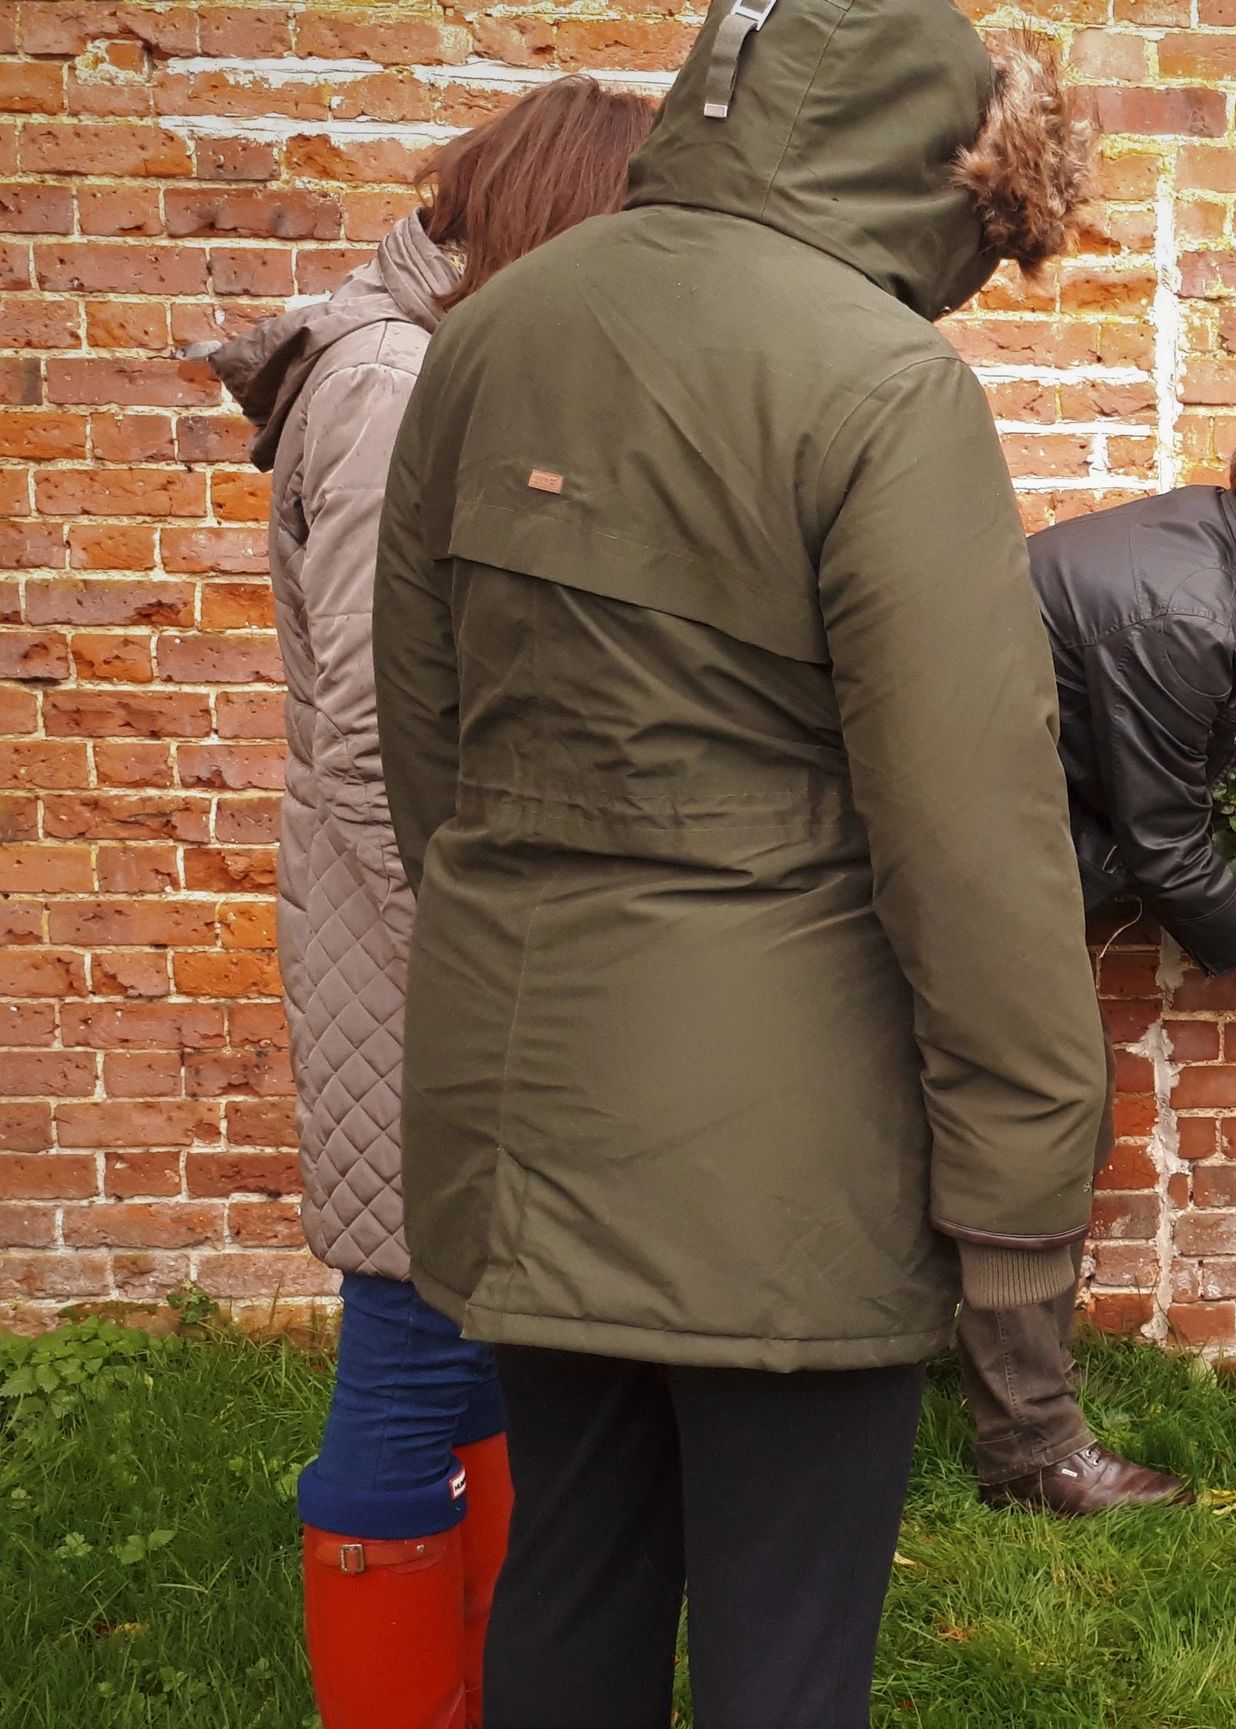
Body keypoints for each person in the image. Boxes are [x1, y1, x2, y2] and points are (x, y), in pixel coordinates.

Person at [370, 9, 1104, 1726]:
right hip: (785, 1144)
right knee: (784, 1641)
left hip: (517, 1086)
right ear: (933, 158)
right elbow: (976, 841)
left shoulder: (500, 322)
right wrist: (1019, 1214)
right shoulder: (878, 376)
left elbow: (426, 738)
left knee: (572, 1570)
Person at [207, 74, 655, 1729]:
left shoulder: (432, 360)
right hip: (419, 959)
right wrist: (495, 985)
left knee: (473, 1328)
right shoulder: (398, 384)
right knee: (410, 1344)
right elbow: (379, 730)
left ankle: (479, 1679)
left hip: (440, 945)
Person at [956, 406, 1236, 1516]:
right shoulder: (1183, 611)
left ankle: (926, 1381)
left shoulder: (1199, 562)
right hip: (970, 875)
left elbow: (1201, 772)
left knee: (983, 1120)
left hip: (986, 855)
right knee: (1041, 1120)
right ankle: (1028, 1450)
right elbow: (1164, 841)